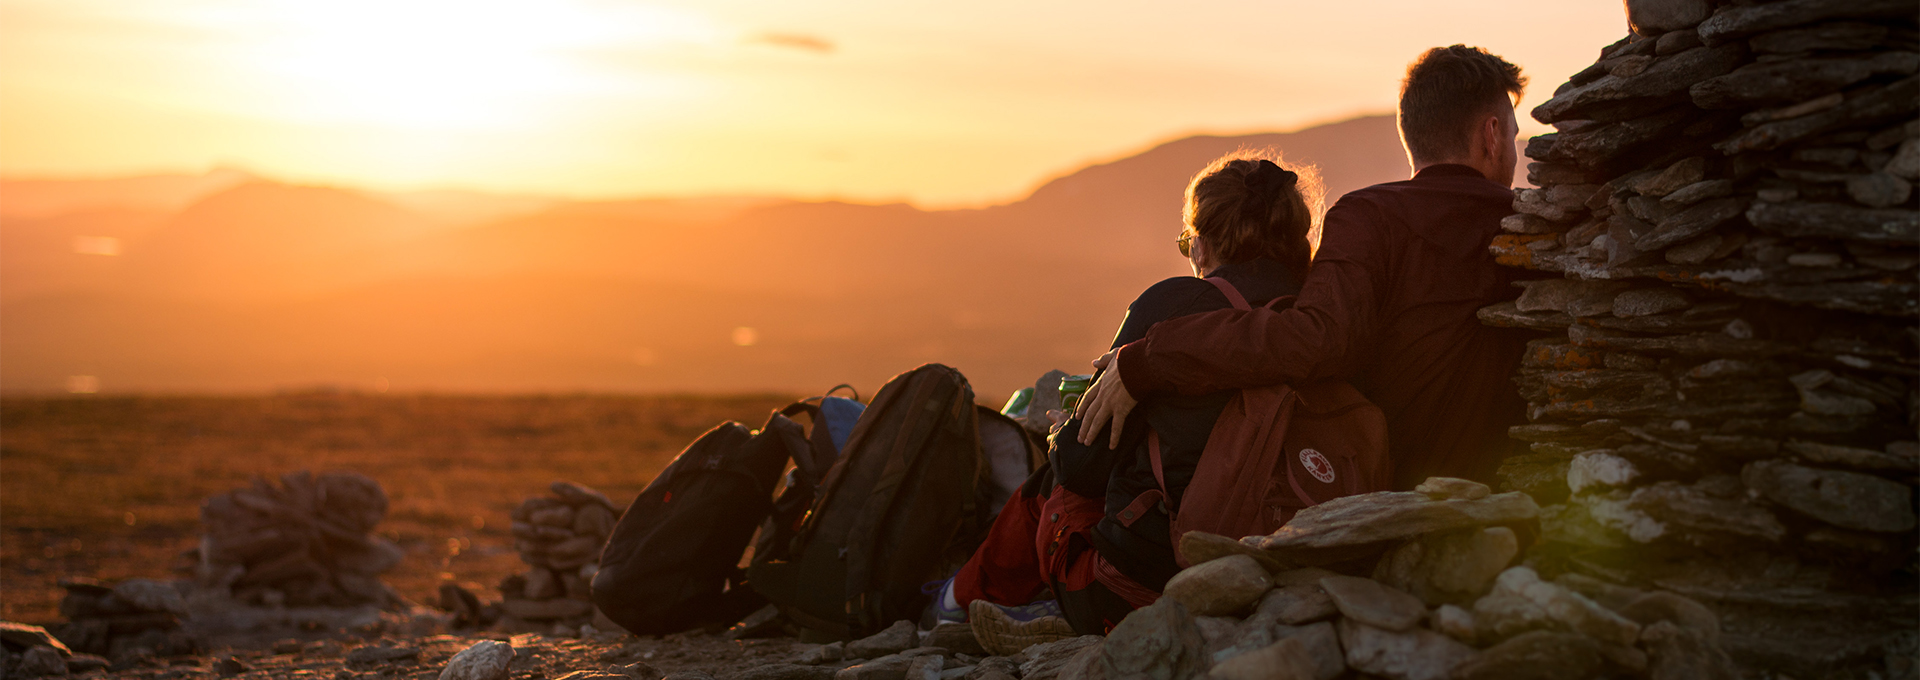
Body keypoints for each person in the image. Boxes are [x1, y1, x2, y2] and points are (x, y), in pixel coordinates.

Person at [1076, 45, 1535, 491]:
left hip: (1378, 493)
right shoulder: (1538, 230)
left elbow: (1312, 341)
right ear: (1491, 135)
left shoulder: (1370, 216)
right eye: (1512, 138)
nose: (1512, 155)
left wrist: (1152, 357)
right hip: (1510, 490)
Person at [928, 151, 1325, 642]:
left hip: (1142, 587)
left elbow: (1080, 466)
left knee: (1053, 479)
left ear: (1202, 247)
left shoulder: (1173, 305)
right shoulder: (1316, 314)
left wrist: (1063, 434)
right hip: (1294, 555)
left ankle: (957, 602)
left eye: (1186, 242)